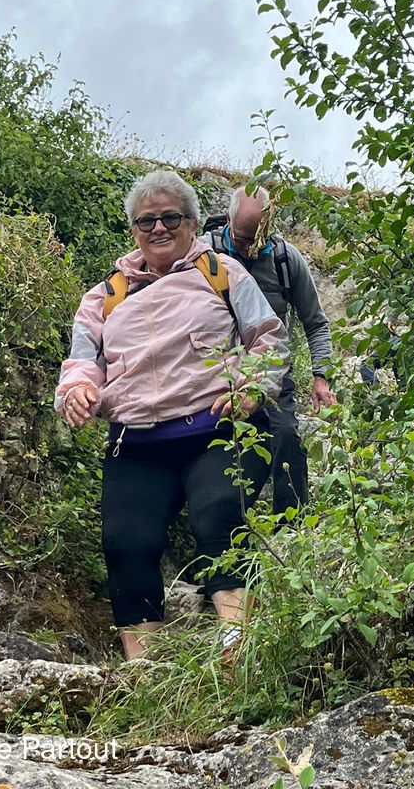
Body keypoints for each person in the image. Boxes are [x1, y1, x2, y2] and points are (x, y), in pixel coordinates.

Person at [55, 170, 288, 660]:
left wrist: (252, 388)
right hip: (138, 440)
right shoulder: (105, 296)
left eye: (170, 217)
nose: (158, 228)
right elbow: (81, 361)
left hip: (220, 427)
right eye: (147, 220)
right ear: (133, 230)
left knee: (218, 515)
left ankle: (237, 654)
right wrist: (77, 390)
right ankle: (145, 675)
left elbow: (268, 339)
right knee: (126, 542)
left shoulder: (223, 272)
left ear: (193, 223)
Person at [203, 186, 334, 514]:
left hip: (271, 373)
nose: (250, 249)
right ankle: (221, 524)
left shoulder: (285, 260)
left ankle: (292, 525)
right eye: (243, 239)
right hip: (213, 373)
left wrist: (321, 375)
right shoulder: (203, 255)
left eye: (258, 239)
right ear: (228, 219)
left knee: (287, 436)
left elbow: (316, 323)